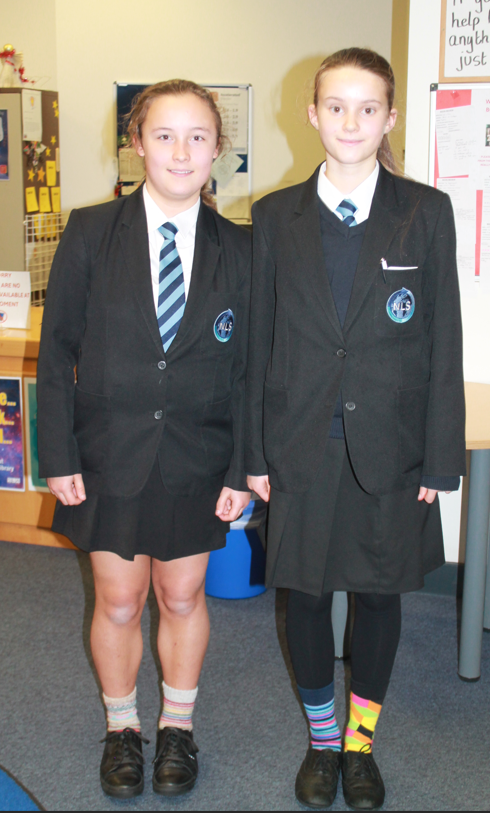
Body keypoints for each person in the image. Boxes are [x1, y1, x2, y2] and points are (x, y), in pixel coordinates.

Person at [246, 48, 465, 811]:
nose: (350, 121)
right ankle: (321, 737)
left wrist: (442, 460)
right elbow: (257, 348)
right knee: (302, 598)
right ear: (311, 114)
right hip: (298, 447)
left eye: (367, 108)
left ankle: (361, 745)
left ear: (390, 118)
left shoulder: (425, 211)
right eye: (335, 106)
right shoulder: (274, 215)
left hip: (393, 454)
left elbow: (445, 346)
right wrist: (252, 453)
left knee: (378, 598)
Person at [37, 79, 251, 800]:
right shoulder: (91, 230)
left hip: (199, 455)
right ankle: (122, 726)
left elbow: (252, 368)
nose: (181, 151)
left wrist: (244, 466)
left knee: (183, 594)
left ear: (217, 147)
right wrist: (59, 453)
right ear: (137, 143)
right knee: (120, 598)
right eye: (165, 135)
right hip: (109, 453)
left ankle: (179, 729)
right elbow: (57, 348)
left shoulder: (242, 248)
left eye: (198, 136)